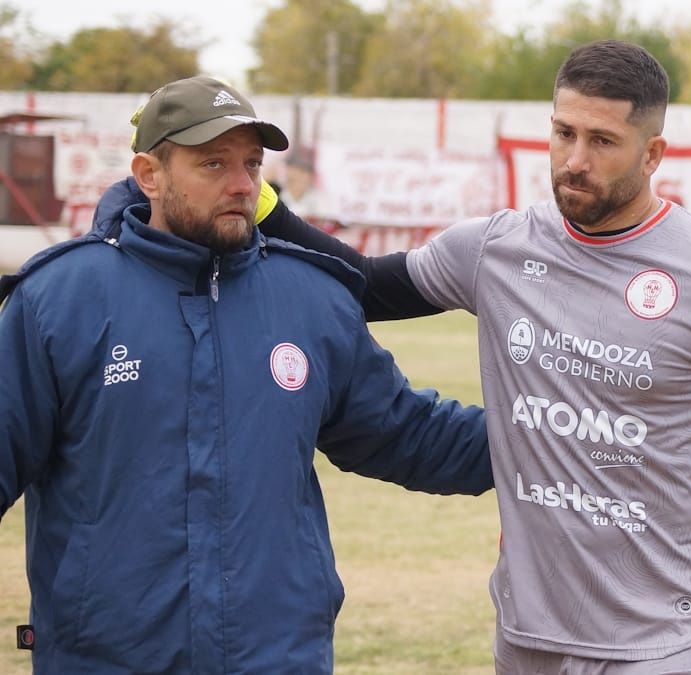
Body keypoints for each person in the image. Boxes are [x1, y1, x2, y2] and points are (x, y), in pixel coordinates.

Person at [241, 40, 691, 673]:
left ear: (653, 155)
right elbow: (365, 285)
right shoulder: (496, 250)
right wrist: (259, 205)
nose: (575, 160)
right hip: (530, 635)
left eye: (602, 141)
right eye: (564, 133)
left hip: (671, 643)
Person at [0, 75, 493, 673]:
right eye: (213, 164)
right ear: (149, 174)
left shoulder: (311, 298)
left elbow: (407, 435)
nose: (242, 184)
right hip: (105, 658)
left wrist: (556, 439)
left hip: (277, 656)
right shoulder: (60, 299)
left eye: (251, 164)